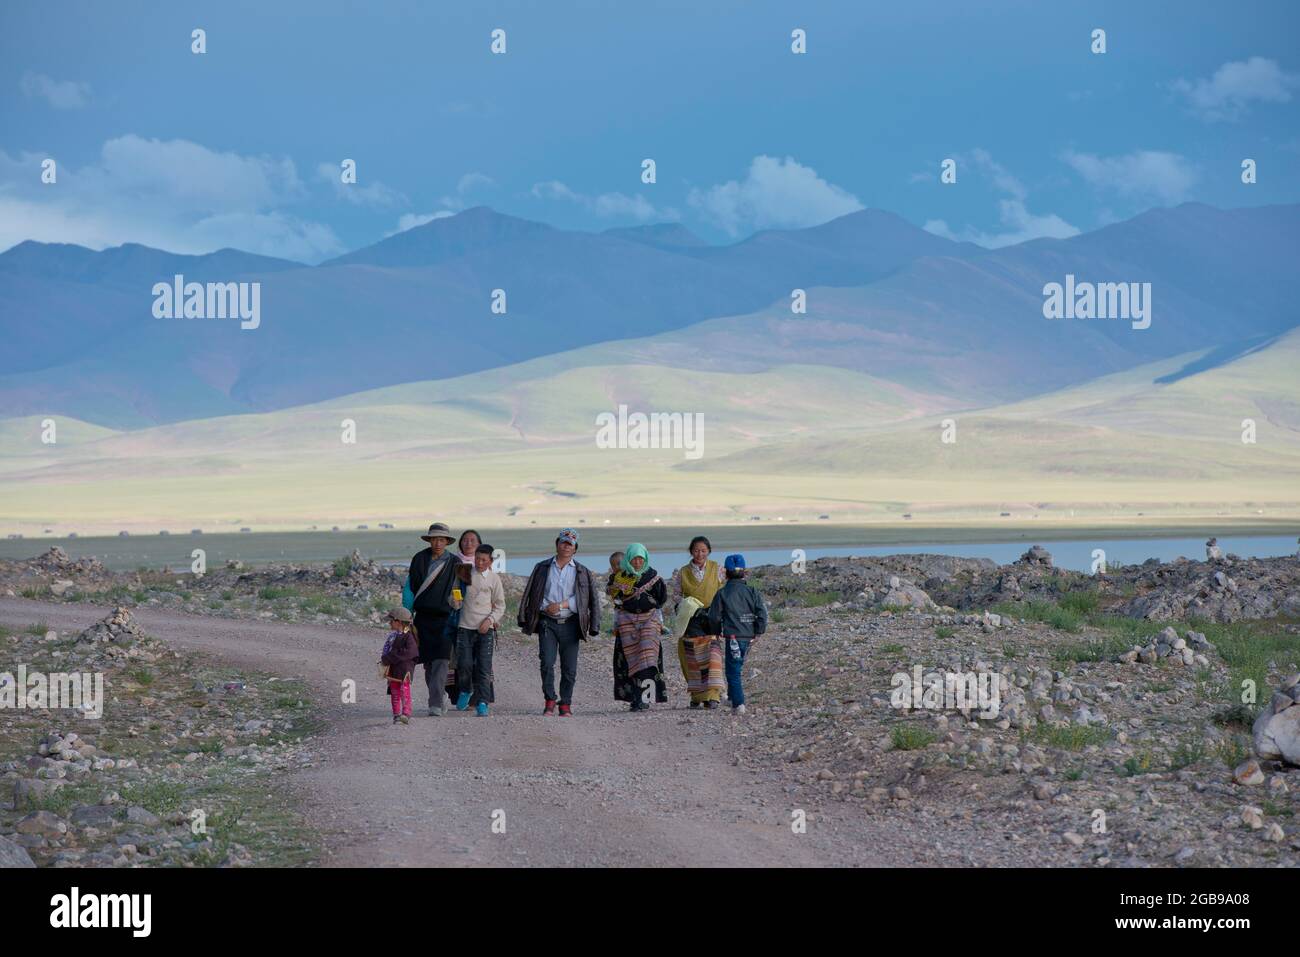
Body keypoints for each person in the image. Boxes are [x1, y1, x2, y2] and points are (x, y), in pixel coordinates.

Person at [517, 528, 601, 716]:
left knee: (569, 668)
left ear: (575, 549)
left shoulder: (582, 571)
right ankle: (549, 699)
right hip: (547, 622)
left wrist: (593, 624)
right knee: (546, 662)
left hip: (571, 623)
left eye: (569, 544)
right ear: (557, 544)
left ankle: (566, 703)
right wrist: (537, 611)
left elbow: (589, 599)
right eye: (563, 542)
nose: (565, 546)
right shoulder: (542, 567)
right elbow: (532, 593)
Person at [407, 522, 462, 716]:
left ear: (447, 541)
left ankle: (435, 703)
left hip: (446, 619)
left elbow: (461, 590)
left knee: (442, 660)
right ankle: (439, 697)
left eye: (441, 539)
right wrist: (406, 614)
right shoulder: (419, 559)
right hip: (422, 618)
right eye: (434, 539)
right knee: (429, 663)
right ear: (429, 540)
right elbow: (412, 587)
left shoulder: (457, 563)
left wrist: (458, 606)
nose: (437, 543)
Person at [706, 554, 768, 715]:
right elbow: (762, 613)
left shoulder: (723, 593)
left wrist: (715, 632)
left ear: (725, 573)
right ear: (744, 572)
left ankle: (739, 704)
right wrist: (759, 631)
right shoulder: (752, 591)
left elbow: (714, 616)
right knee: (737, 665)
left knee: (733, 671)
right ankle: (732, 698)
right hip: (749, 635)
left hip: (733, 636)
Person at [612, 543, 668, 712]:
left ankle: (645, 699)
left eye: (640, 558)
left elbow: (662, 598)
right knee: (632, 660)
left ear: (645, 559)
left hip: (649, 620)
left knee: (648, 658)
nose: (637, 562)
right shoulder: (620, 576)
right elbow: (615, 597)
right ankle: (635, 699)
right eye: (634, 558)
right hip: (627, 622)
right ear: (628, 559)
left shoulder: (654, 577)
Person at [670, 536, 726, 706]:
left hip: (712, 618)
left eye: (703, 550)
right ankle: (697, 696)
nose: (700, 554)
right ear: (691, 552)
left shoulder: (717, 569)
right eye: (696, 550)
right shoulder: (683, 572)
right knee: (692, 657)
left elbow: (724, 591)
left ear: (709, 551)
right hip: (691, 618)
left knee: (712, 656)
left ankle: (713, 696)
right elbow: (676, 595)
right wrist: (687, 605)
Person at [454, 543, 505, 716]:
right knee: (464, 664)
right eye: (477, 558)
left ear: (490, 561)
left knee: (484, 667)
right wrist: (456, 601)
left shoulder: (494, 579)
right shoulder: (465, 572)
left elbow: (500, 605)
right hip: (464, 627)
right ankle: (465, 690)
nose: (480, 562)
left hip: (485, 629)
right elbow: (455, 590)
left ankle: (483, 702)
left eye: (484, 560)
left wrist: (490, 620)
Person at [446, 530, 481, 698]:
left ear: (479, 544)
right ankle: (460, 694)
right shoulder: (455, 562)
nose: (469, 543)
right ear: (460, 543)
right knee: (461, 656)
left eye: (473, 540)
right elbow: (455, 587)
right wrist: (459, 603)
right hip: (461, 616)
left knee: (480, 657)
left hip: (482, 618)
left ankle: (479, 696)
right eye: (465, 540)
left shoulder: (483, 564)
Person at [380, 608, 419, 725]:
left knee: (404, 690)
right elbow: (386, 651)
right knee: (394, 692)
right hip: (393, 669)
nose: (389, 623)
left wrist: (390, 657)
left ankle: (406, 713)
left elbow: (411, 652)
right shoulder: (393, 636)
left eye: (391, 621)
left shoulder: (408, 636)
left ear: (399, 622)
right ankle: (396, 715)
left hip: (404, 669)